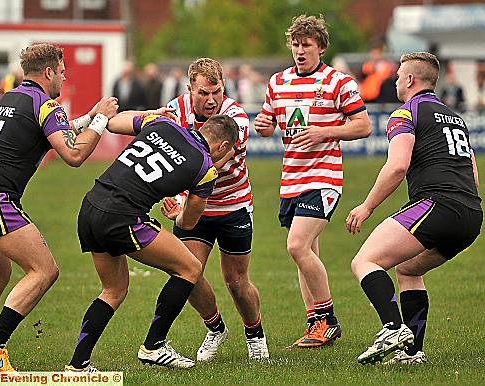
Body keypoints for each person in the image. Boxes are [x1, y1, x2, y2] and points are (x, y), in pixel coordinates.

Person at [0, 43, 118, 373]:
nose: (64, 78)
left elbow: (57, 132)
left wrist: (91, 114)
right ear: (49, 72)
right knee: (44, 270)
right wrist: (100, 122)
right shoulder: (47, 104)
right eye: (62, 72)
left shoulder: (12, 97)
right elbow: (73, 155)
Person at [65, 112, 239, 371]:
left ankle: (78, 365)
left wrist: (150, 113)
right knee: (190, 268)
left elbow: (113, 123)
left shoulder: (162, 123)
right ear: (223, 146)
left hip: (91, 206)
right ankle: (154, 345)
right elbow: (188, 224)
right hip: (121, 217)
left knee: (113, 290)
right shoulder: (205, 168)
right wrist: (176, 215)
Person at [347, 52, 482, 365]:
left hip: (438, 204)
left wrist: (366, 207)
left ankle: (392, 328)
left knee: (365, 261)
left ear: (409, 80)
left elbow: (397, 166)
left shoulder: (406, 113)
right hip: (471, 214)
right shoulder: (454, 118)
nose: (395, 81)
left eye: (398, 76)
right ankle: (412, 353)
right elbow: (473, 174)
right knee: (408, 269)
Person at [254, 14, 371, 349]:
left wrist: (326, 131)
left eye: (306, 44)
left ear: (321, 46)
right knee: (306, 252)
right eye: (295, 44)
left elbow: (362, 126)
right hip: (291, 179)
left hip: (324, 177)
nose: (300, 50)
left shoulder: (339, 82)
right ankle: (315, 326)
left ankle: (328, 320)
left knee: (296, 246)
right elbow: (268, 123)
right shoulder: (278, 83)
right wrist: (264, 125)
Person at [164, 57, 269, 362]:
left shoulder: (235, 118)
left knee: (236, 281)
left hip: (232, 204)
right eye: (203, 94)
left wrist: (182, 198)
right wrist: (174, 198)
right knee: (185, 272)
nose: (211, 101)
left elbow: (212, 164)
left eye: (217, 92)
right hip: (195, 207)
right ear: (189, 90)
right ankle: (215, 328)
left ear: (224, 88)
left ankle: (255, 334)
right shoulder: (174, 112)